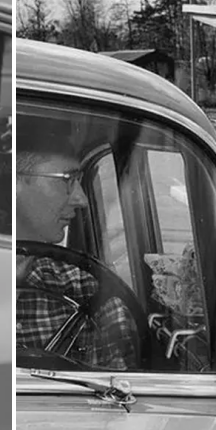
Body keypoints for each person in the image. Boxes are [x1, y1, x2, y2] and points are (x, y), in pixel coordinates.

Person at [15, 129, 139, 370]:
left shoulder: (90, 291)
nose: (81, 199)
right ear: (15, 180)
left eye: (80, 182)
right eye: (67, 180)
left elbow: (122, 388)